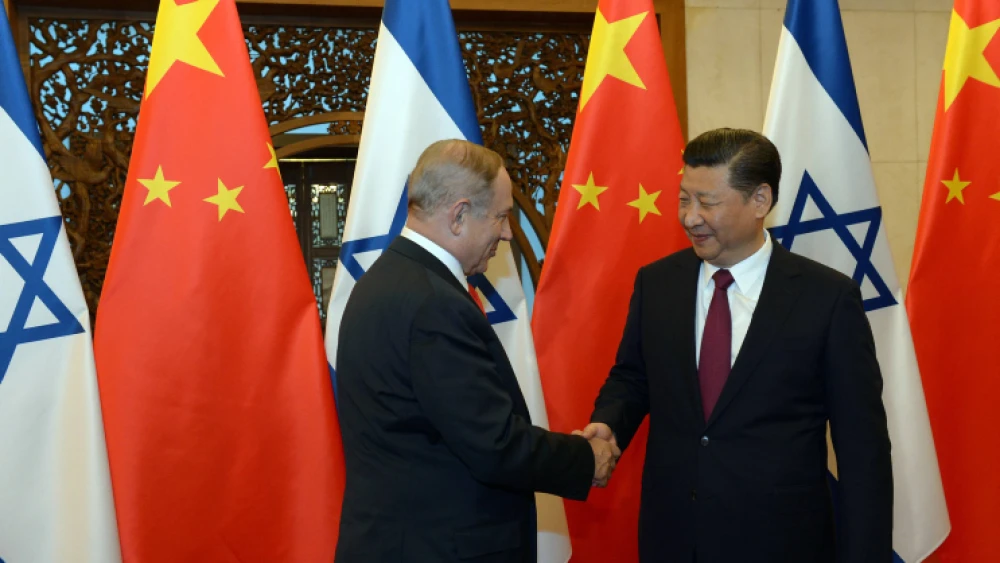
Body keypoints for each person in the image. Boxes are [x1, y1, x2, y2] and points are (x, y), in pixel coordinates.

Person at [577, 128, 892, 563]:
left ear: (760, 200)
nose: (690, 217)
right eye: (684, 199)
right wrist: (609, 424)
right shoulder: (657, 283)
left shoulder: (827, 299)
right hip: (673, 538)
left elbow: (863, 451)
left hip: (781, 543)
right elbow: (633, 377)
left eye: (707, 202)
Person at [335, 139, 619, 563]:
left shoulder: (383, 280)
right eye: (502, 217)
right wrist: (584, 459)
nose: (507, 233)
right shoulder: (434, 303)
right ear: (459, 215)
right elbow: (493, 444)